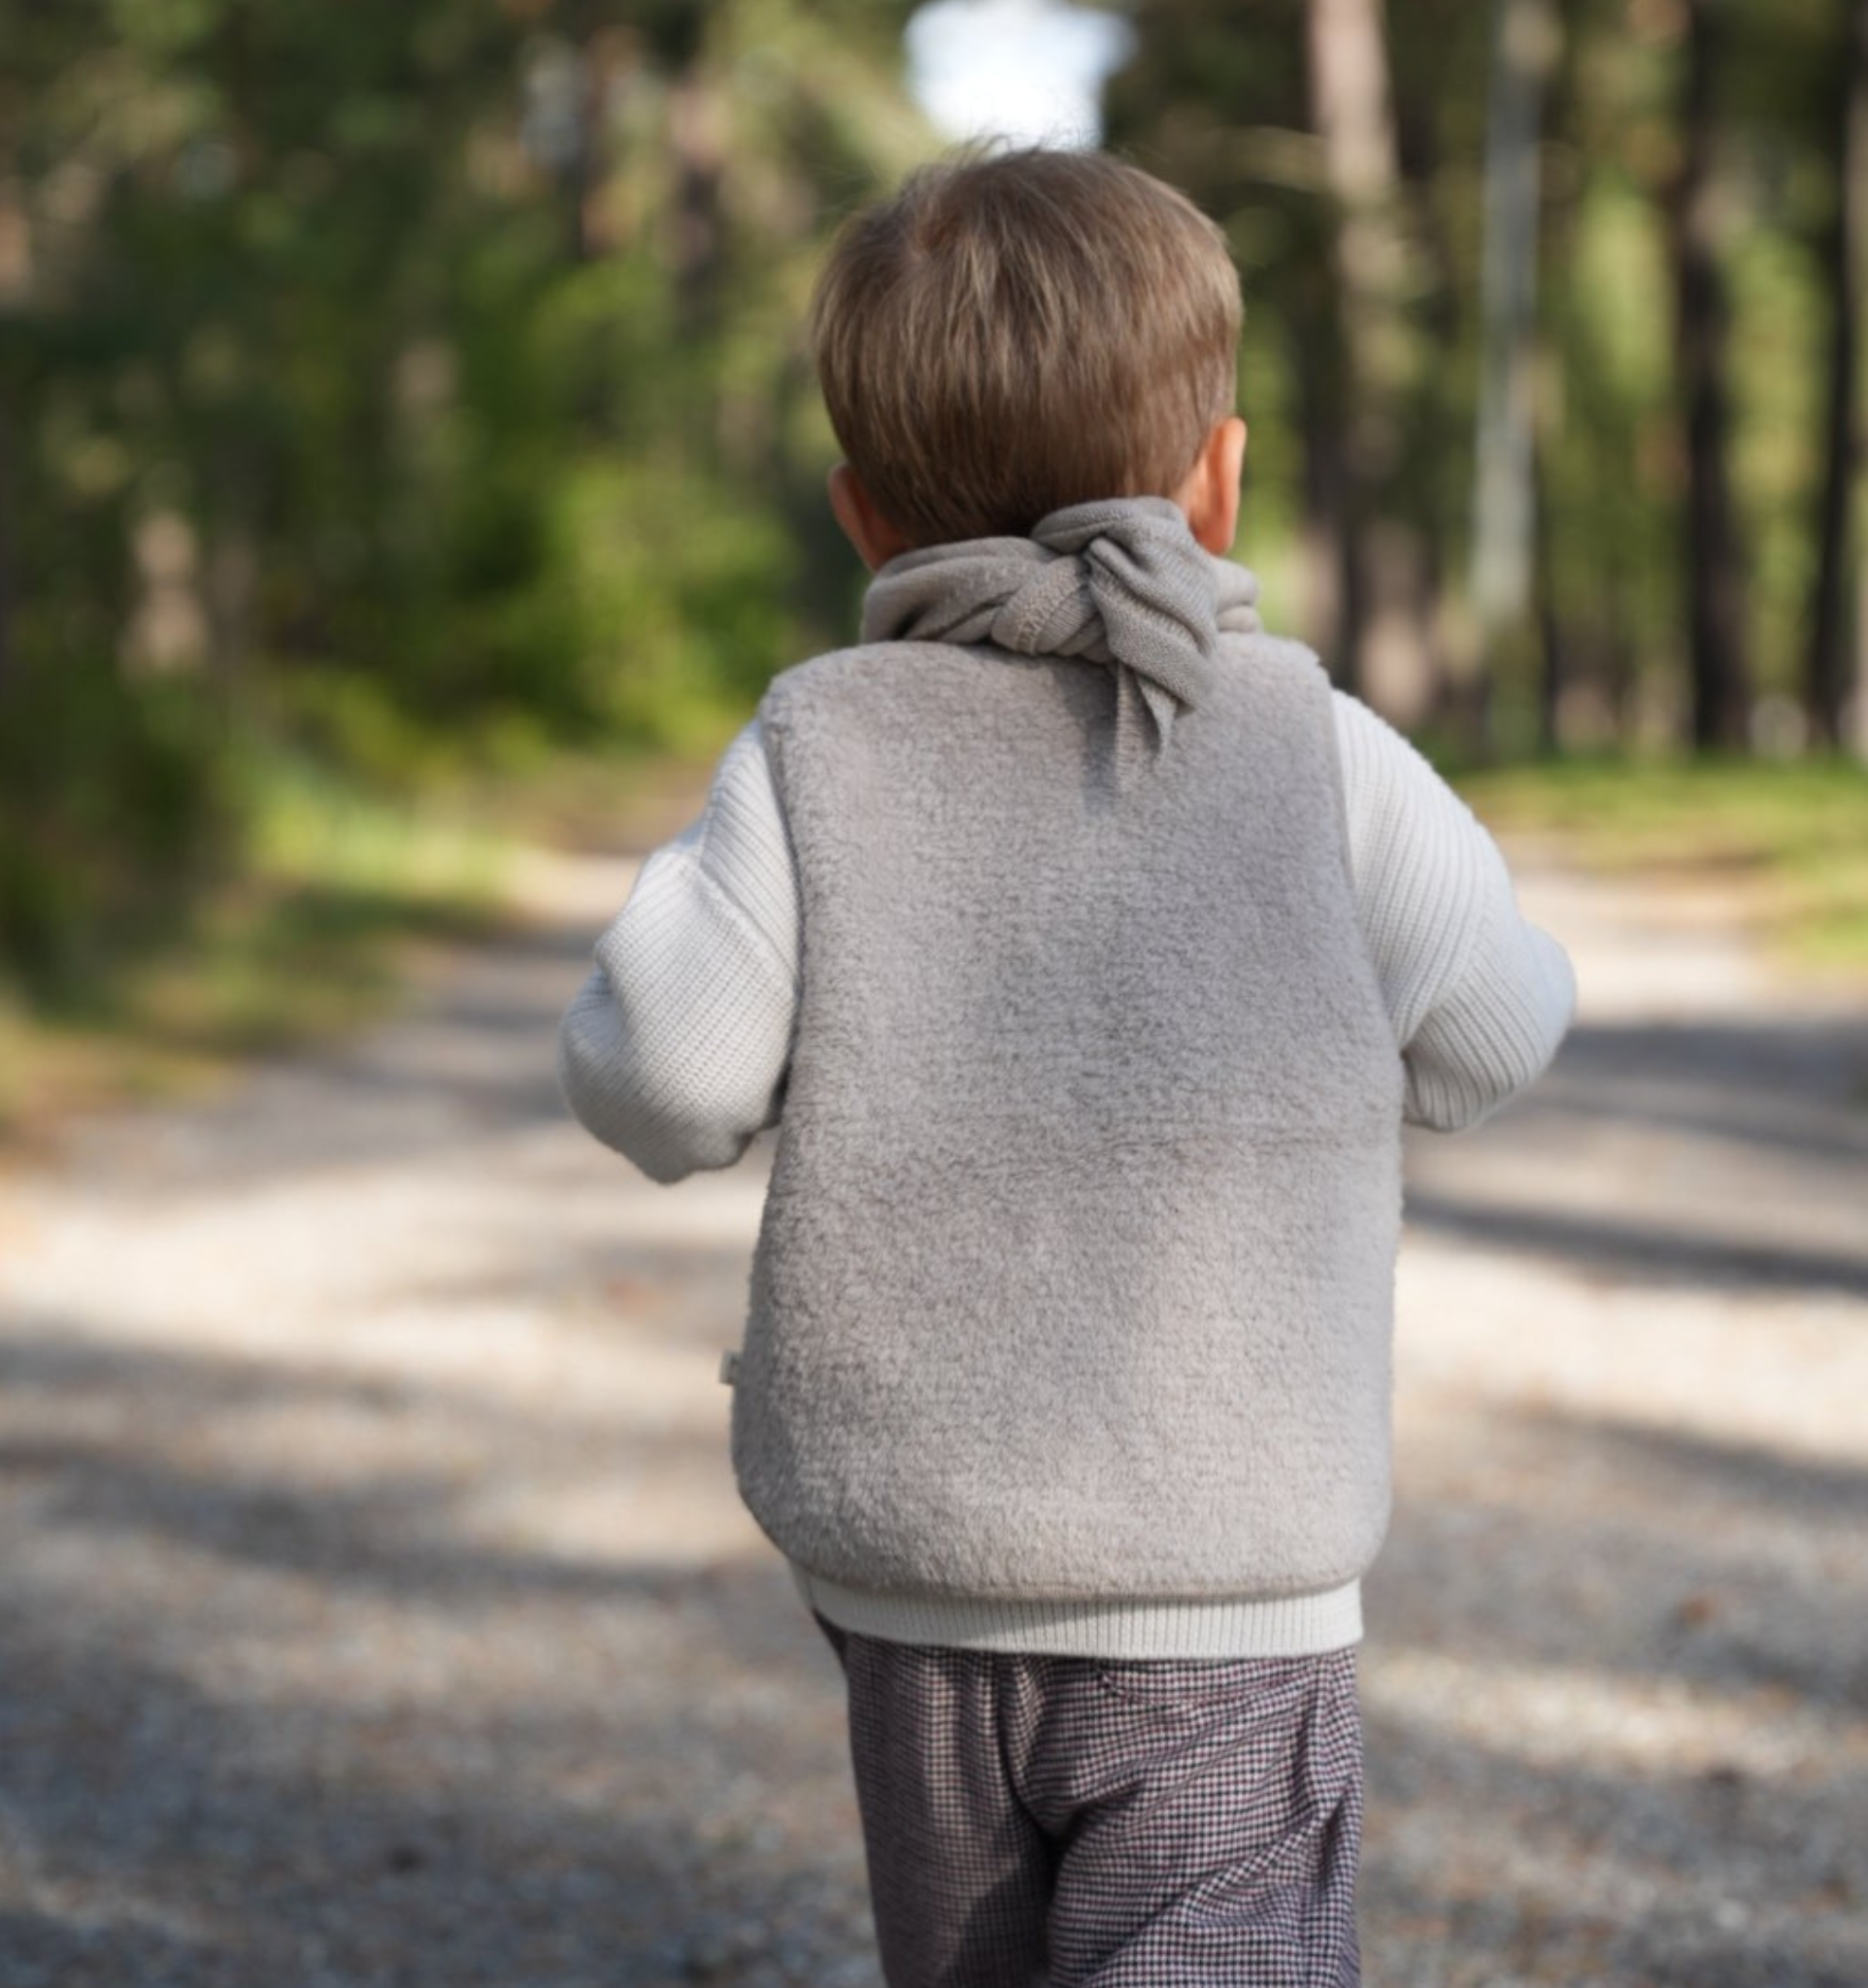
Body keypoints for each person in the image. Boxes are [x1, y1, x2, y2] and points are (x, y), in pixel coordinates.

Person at [556, 147, 1574, 1988]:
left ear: (863, 516)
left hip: (914, 1580)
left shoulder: (814, 747)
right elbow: (1497, 1033)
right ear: (1219, 478)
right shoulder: (1310, 745)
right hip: (1227, 1582)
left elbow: (667, 1080)